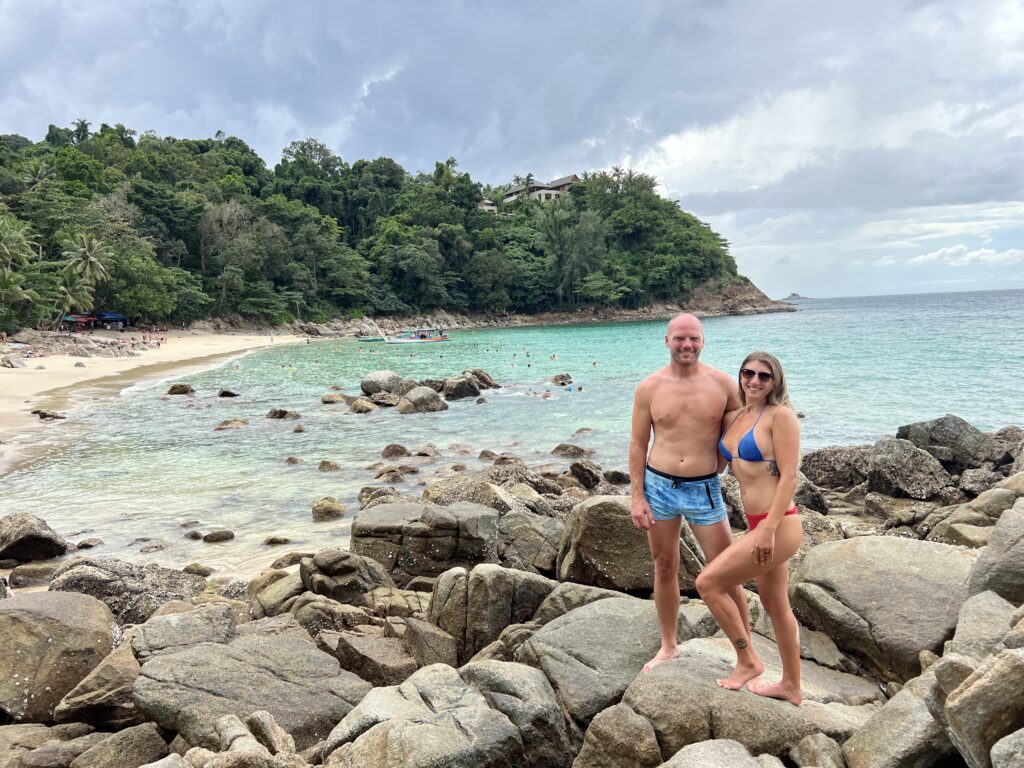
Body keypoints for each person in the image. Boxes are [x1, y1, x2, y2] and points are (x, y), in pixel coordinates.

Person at [630, 313, 747, 672]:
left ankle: (747, 653)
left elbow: (739, 438)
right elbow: (637, 443)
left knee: (726, 571)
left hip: (704, 489)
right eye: (680, 338)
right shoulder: (649, 387)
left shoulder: (724, 384)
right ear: (667, 341)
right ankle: (668, 645)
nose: (687, 345)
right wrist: (637, 496)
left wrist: (730, 473)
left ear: (703, 341)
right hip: (659, 486)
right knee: (664, 567)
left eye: (693, 338)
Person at [695, 351, 803, 705]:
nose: (754, 381)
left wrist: (768, 530)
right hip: (759, 523)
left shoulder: (780, 416)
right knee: (775, 604)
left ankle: (747, 659)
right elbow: (712, 456)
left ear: (776, 382)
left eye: (764, 376)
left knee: (708, 583)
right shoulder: (737, 416)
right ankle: (791, 686)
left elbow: (789, 475)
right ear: (739, 375)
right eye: (748, 373)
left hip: (779, 522)